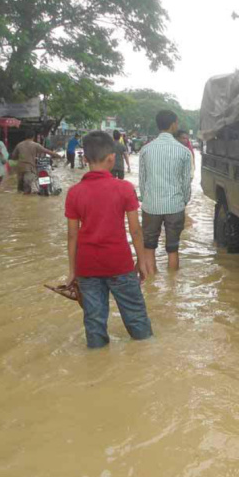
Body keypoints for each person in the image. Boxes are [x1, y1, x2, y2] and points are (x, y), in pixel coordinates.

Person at [65, 131, 153, 349]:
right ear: (112, 158)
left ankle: (95, 366)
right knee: (136, 318)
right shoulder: (124, 188)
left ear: (84, 159)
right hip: (119, 264)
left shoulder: (74, 193)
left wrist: (72, 270)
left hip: (87, 266)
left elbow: (72, 235)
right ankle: (146, 361)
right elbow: (135, 231)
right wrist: (141, 261)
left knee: (94, 321)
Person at [139, 110, 193, 273]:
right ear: (173, 124)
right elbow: (186, 183)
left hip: (151, 206)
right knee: (173, 249)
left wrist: (146, 199)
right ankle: (172, 288)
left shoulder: (146, 150)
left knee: (149, 247)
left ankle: (151, 285)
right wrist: (183, 201)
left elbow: (142, 181)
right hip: (175, 206)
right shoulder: (184, 151)